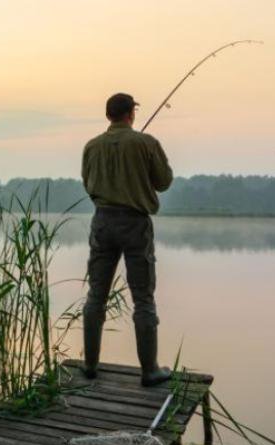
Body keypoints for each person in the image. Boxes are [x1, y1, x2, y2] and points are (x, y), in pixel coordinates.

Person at [81, 92, 174, 387]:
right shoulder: (146, 143)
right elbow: (164, 182)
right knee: (143, 298)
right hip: (135, 224)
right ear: (131, 114)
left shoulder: (91, 146)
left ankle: (90, 365)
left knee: (96, 294)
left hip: (102, 222)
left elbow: (88, 183)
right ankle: (150, 371)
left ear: (109, 115)